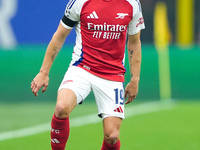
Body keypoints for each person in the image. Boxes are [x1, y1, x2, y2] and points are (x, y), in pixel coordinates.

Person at [31, 0, 145, 149]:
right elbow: (60, 35)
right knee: (61, 107)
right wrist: (43, 72)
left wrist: (135, 79)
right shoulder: (79, 2)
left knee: (112, 136)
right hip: (82, 68)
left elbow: (134, 42)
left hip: (113, 74)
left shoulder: (132, 4)